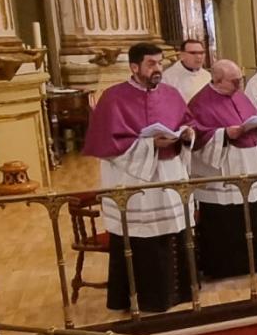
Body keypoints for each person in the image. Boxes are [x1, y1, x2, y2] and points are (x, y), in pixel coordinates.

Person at [83, 42, 195, 312]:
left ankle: (178, 293)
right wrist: (149, 145)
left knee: (173, 232)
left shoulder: (171, 94)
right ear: (134, 67)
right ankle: (144, 298)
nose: (158, 68)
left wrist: (187, 135)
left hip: (169, 173)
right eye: (151, 64)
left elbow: (187, 121)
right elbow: (108, 144)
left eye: (160, 62)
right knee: (142, 238)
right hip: (135, 180)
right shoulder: (113, 98)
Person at [187, 60, 257, 277]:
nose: (238, 86)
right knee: (229, 216)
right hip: (225, 165)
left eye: (240, 80)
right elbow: (196, 135)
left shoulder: (239, 95)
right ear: (217, 79)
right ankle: (229, 266)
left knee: (254, 208)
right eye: (234, 81)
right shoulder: (200, 102)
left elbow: (250, 119)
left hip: (250, 160)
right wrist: (225, 134)